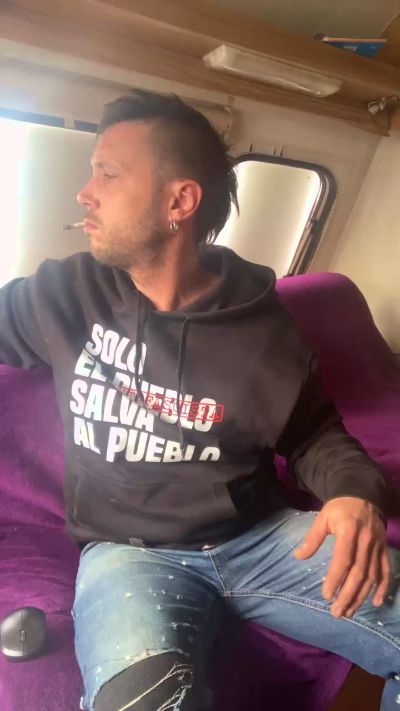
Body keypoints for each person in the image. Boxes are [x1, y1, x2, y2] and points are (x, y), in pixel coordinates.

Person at [0, 89, 399, 711]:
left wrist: (354, 495)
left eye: (107, 174)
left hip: (261, 540)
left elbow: (315, 437)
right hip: (128, 556)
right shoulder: (67, 292)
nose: (85, 193)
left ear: (179, 202)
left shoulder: (263, 329)